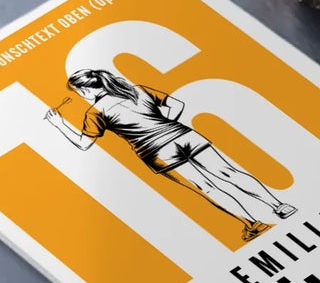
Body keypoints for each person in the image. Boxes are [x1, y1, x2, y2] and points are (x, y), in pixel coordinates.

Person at [44, 68, 296, 243]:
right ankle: (279, 206)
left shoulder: (95, 113)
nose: (80, 96)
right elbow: (177, 105)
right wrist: (165, 125)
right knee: (229, 173)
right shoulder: (137, 90)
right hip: (184, 135)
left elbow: (83, 144)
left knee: (206, 187)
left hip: (156, 151)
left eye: (78, 92)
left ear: (86, 90)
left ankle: (253, 223)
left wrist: (59, 124)